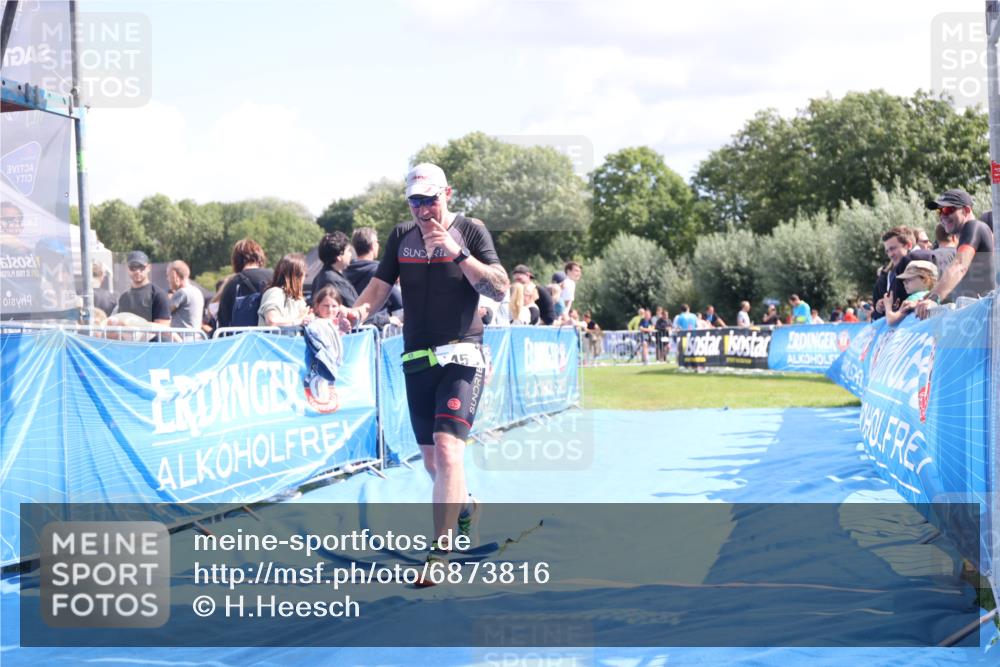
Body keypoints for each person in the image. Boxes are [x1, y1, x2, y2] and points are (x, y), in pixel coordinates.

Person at [345, 163, 508, 579]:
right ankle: (467, 504)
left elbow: (499, 286)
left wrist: (458, 253)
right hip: (417, 358)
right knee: (434, 462)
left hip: (464, 355)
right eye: (414, 200)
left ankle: (440, 550)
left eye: (430, 200)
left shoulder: (470, 231)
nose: (422, 209)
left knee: (449, 447)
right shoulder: (402, 236)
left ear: (447, 193)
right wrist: (358, 311)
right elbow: (380, 288)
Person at [917, 188, 996, 319]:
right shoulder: (967, 238)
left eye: (948, 210)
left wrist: (934, 298)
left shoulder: (974, 227)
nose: (942, 216)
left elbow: (959, 266)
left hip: (986, 324)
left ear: (966, 210)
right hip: (977, 320)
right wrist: (923, 300)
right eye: (939, 211)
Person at [345, 227, 403, 326]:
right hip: (377, 331)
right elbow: (398, 301)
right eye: (377, 242)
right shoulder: (380, 272)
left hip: (351, 329)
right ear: (373, 245)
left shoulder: (342, 271)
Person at [217, 239, 273, 329]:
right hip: (271, 337)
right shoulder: (273, 277)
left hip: (243, 339)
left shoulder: (232, 283)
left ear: (236, 260)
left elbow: (223, 320)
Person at [114, 250, 170, 325]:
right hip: (128, 336)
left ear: (149, 268)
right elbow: (119, 325)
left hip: (154, 337)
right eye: (133, 267)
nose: (137, 271)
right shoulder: (124, 298)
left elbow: (163, 328)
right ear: (127, 268)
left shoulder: (158, 295)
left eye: (141, 267)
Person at [259, 253, 313, 327]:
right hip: (272, 338)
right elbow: (272, 321)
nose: (304, 279)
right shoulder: (275, 293)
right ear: (296, 276)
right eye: (304, 275)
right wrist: (299, 321)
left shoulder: (298, 299)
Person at [883, 260, 938, 326]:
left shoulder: (914, 298)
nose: (904, 282)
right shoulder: (934, 297)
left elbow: (891, 321)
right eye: (904, 280)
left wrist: (888, 305)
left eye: (908, 279)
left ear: (925, 279)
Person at [166, 260, 205, 330]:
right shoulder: (197, 291)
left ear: (175, 276)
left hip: (182, 339)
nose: (168, 279)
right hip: (195, 337)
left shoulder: (181, 293)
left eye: (168, 275)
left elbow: (164, 312)